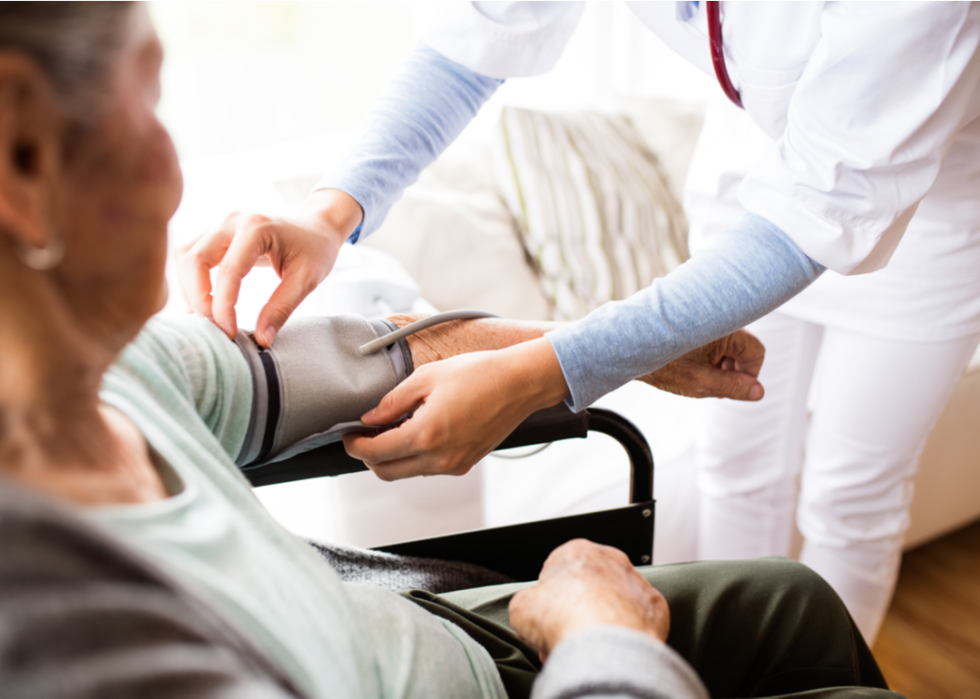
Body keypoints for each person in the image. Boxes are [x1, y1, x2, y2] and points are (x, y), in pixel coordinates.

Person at [0, 4, 899, 699]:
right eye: (145, 103)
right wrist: (601, 638)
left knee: (794, 599)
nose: (173, 168)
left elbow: (364, 361)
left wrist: (603, 351)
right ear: (25, 164)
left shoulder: (116, 372)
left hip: (421, 637)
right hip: (511, 664)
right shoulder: (67, 626)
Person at [177, 1, 980, 636]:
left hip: (934, 210)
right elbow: (476, 34)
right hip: (751, 171)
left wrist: (541, 372)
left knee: (855, 492)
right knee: (737, 465)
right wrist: (330, 212)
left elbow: (823, 207)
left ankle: (806, 662)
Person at [687, 98, 980, 643]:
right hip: (751, 198)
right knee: (735, 467)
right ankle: (729, 666)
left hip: (926, 221)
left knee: (853, 500)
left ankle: (825, 679)